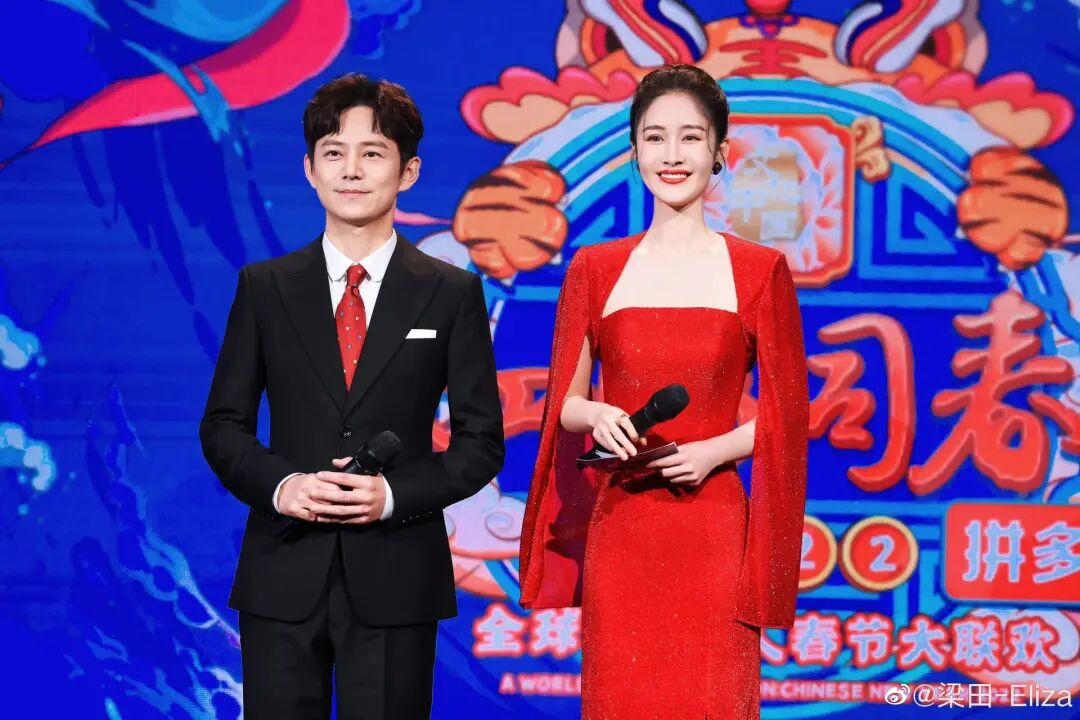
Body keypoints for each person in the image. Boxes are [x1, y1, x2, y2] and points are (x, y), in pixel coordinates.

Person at [200, 73, 504, 719]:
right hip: (282, 570)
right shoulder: (265, 287)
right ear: (310, 169)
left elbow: (481, 444)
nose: (352, 170)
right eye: (334, 152)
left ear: (408, 170)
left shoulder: (451, 292)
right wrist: (284, 486)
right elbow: (223, 424)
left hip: (398, 573)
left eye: (373, 152)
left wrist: (390, 496)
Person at [518, 64, 809, 718]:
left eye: (690, 138)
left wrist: (713, 452)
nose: (672, 155)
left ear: (719, 153)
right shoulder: (595, 268)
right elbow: (565, 405)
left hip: (712, 527)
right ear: (634, 151)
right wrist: (597, 412)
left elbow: (789, 413)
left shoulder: (760, 270)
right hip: (623, 525)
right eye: (655, 138)